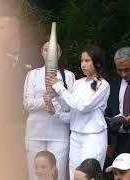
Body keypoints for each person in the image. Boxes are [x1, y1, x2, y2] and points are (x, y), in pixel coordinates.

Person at [45, 45, 110, 179]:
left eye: (87, 61)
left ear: (97, 63)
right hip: (75, 135)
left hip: (93, 136)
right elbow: (70, 107)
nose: (83, 64)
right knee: (75, 175)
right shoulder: (78, 83)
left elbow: (83, 106)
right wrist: (54, 99)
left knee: (89, 175)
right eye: (82, 61)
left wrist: (59, 87)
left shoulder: (103, 85)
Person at [23, 41, 75, 180]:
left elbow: (70, 106)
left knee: (57, 172)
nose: (49, 54)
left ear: (59, 54)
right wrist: (44, 101)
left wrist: (58, 94)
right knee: (36, 173)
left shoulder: (68, 76)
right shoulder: (32, 74)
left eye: (53, 51)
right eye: (46, 50)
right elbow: (27, 103)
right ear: (41, 52)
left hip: (59, 132)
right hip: (35, 131)